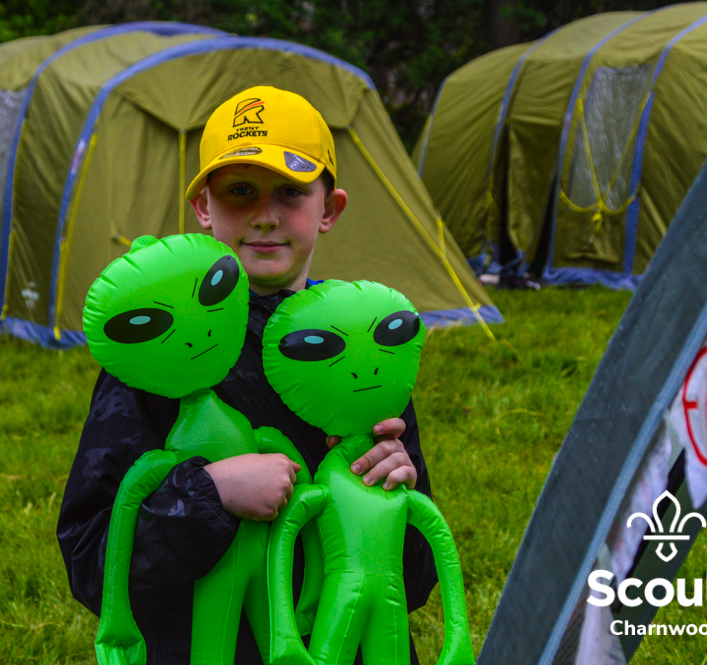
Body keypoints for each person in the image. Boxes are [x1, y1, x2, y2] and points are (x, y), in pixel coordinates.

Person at [57, 86, 438, 664]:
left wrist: (397, 494)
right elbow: (91, 561)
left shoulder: (365, 346)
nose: (264, 215)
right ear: (203, 207)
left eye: (290, 192)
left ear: (329, 210)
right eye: (240, 191)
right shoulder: (161, 355)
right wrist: (208, 495)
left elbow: (413, 580)